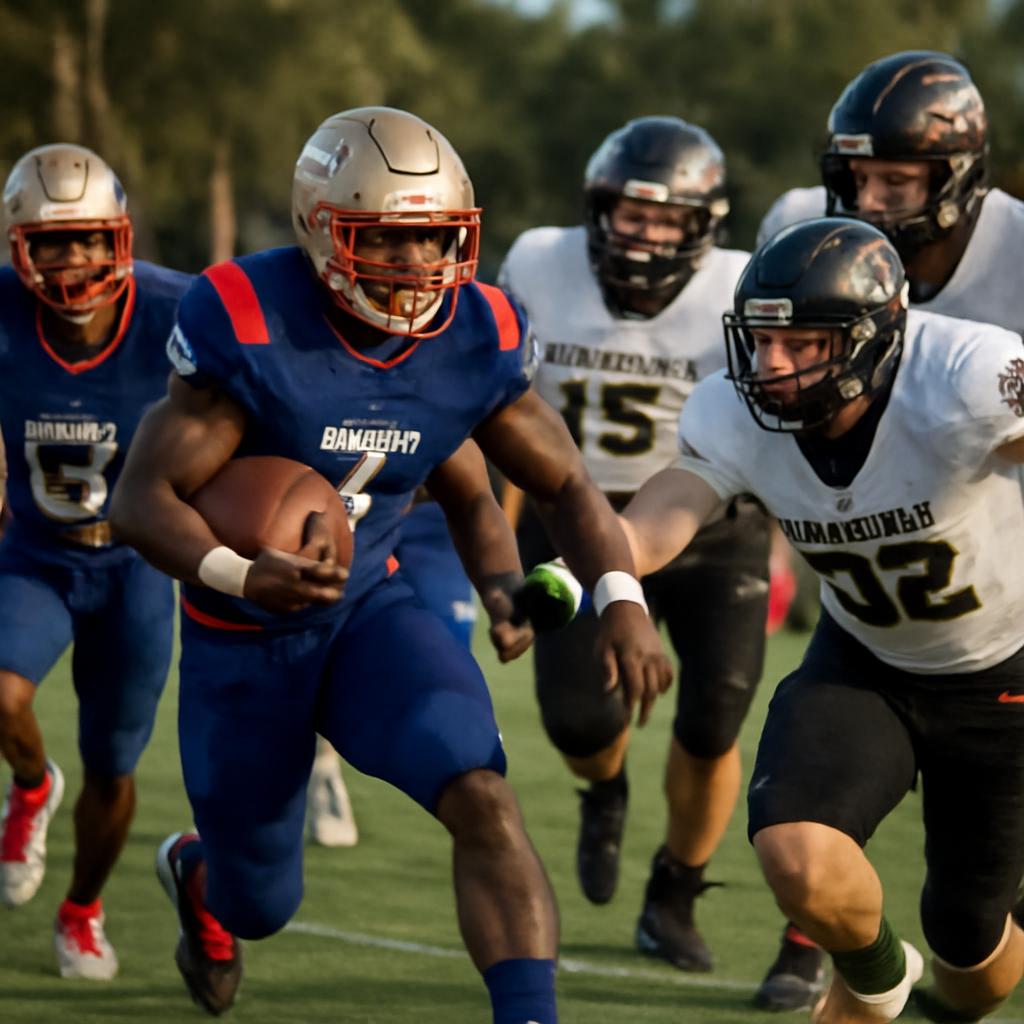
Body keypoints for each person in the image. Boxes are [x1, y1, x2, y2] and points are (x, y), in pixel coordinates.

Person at [109, 106, 671, 1022]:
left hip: (371, 612)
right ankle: (202, 877)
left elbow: (557, 484)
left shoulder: (474, 335)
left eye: (436, 236)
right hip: (246, 636)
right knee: (260, 904)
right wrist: (241, 575)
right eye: (387, 238)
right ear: (321, 228)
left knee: (483, 795)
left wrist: (615, 601)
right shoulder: (252, 319)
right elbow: (139, 500)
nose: (417, 264)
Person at [587, 216, 1024, 1024]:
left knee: (973, 964)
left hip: (1002, 676)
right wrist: (616, 593)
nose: (772, 365)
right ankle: (876, 978)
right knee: (797, 855)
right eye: (761, 341)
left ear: (871, 338)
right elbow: (651, 523)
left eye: (801, 343)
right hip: (865, 662)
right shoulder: (734, 410)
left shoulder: (966, 376)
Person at [500, 115, 816, 985]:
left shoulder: (744, 284)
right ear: (598, 210)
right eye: (631, 215)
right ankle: (604, 788)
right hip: (576, 520)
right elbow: (502, 409)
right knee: (579, 719)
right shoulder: (539, 262)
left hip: (713, 523)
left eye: (666, 220)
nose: (644, 236)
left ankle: (675, 889)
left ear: (703, 226)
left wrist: (783, 538)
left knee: (715, 718)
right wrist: (498, 539)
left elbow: (776, 418)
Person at [0, 144, 189, 979]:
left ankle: (82, 910)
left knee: (113, 764)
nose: (73, 260)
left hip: (135, 565)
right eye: (51, 242)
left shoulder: (178, 311)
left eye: (88, 239)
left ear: (122, 236)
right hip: (36, 554)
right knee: (1, 694)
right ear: (19, 248)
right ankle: (32, 784)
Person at [757, 51, 1019, 332]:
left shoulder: (1015, 246)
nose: (867, 201)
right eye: (857, 178)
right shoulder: (797, 226)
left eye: (895, 181)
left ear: (958, 180)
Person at [305, 488, 479, 849]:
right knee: (306, 645)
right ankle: (317, 764)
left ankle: (323, 752)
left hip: (434, 509)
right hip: (343, 506)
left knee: (443, 673)